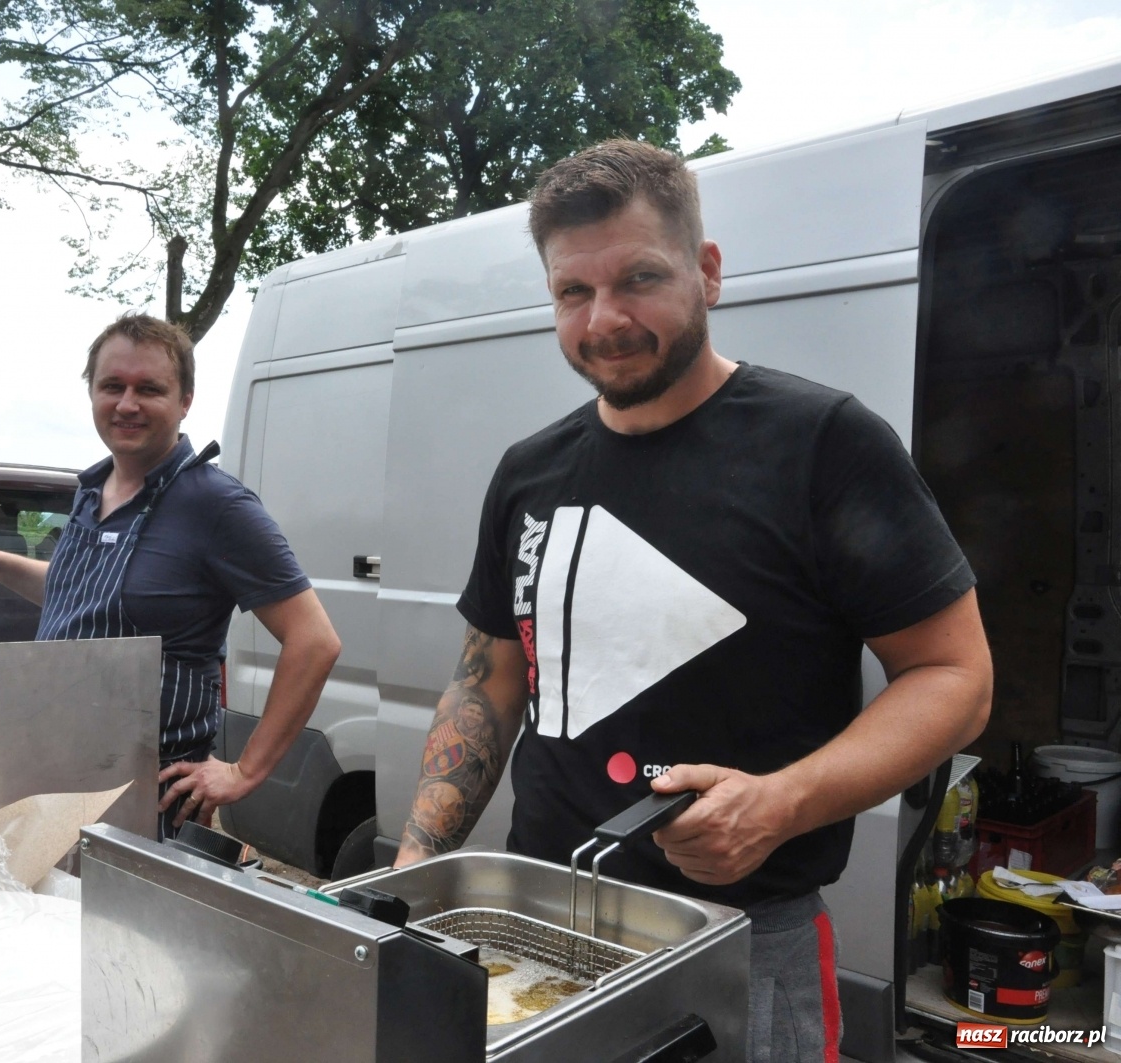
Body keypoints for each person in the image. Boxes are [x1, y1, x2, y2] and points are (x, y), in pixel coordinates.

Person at [392, 141, 992, 1062]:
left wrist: (780, 802)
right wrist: (416, 867)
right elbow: (490, 679)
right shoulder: (529, 473)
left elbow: (955, 675)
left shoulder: (823, 443)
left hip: (746, 943)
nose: (606, 319)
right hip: (537, 922)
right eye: (572, 293)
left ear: (707, 272)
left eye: (640, 278)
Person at [0, 313, 341, 839]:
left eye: (150, 389)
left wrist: (244, 771)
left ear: (185, 400)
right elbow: (81, 597)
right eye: (112, 386)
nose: (127, 404)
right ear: (91, 392)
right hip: (57, 774)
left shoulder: (216, 504)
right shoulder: (92, 491)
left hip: (145, 799)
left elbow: (314, 640)